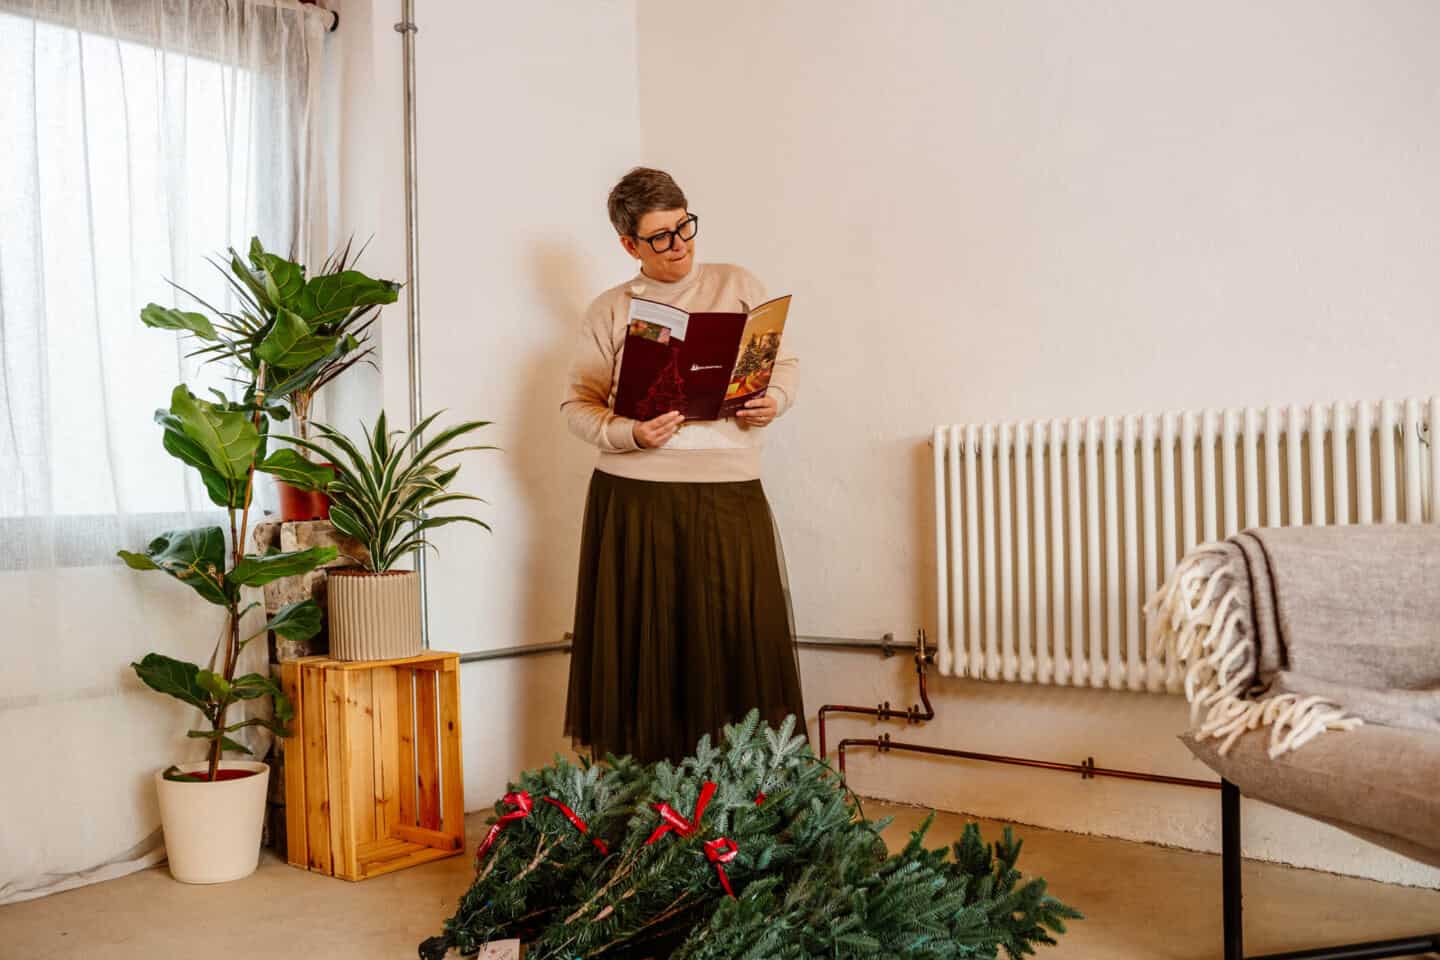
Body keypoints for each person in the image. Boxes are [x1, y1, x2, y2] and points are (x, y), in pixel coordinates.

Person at [561, 167, 807, 764]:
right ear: (628, 245)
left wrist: (774, 400)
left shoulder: (739, 283)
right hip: (635, 497)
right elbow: (577, 405)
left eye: (685, 227)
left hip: (729, 490)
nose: (681, 246)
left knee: (734, 638)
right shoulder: (610, 309)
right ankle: (651, 792)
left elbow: (785, 366)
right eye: (661, 238)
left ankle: (742, 793)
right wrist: (630, 433)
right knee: (648, 650)